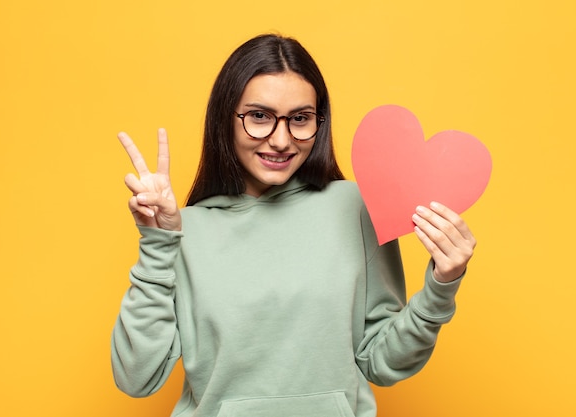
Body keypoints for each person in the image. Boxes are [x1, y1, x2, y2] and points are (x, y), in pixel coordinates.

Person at [111, 34, 476, 417]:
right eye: (259, 116)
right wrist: (158, 241)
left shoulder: (354, 207)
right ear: (226, 119)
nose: (282, 140)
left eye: (300, 119)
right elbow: (137, 377)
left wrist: (441, 287)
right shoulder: (186, 231)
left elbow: (382, 361)